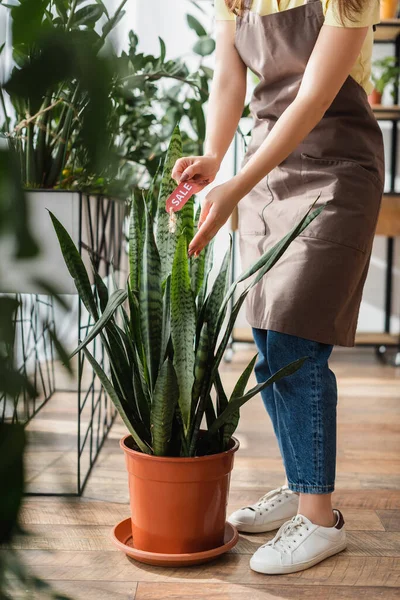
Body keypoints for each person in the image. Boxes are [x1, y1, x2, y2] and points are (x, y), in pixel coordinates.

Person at [172, 0, 384, 575]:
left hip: (338, 166)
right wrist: (216, 156)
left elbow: (313, 98)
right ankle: (300, 485)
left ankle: (320, 521)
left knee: (297, 331)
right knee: (268, 334)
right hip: (270, 172)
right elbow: (228, 74)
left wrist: (238, 182)